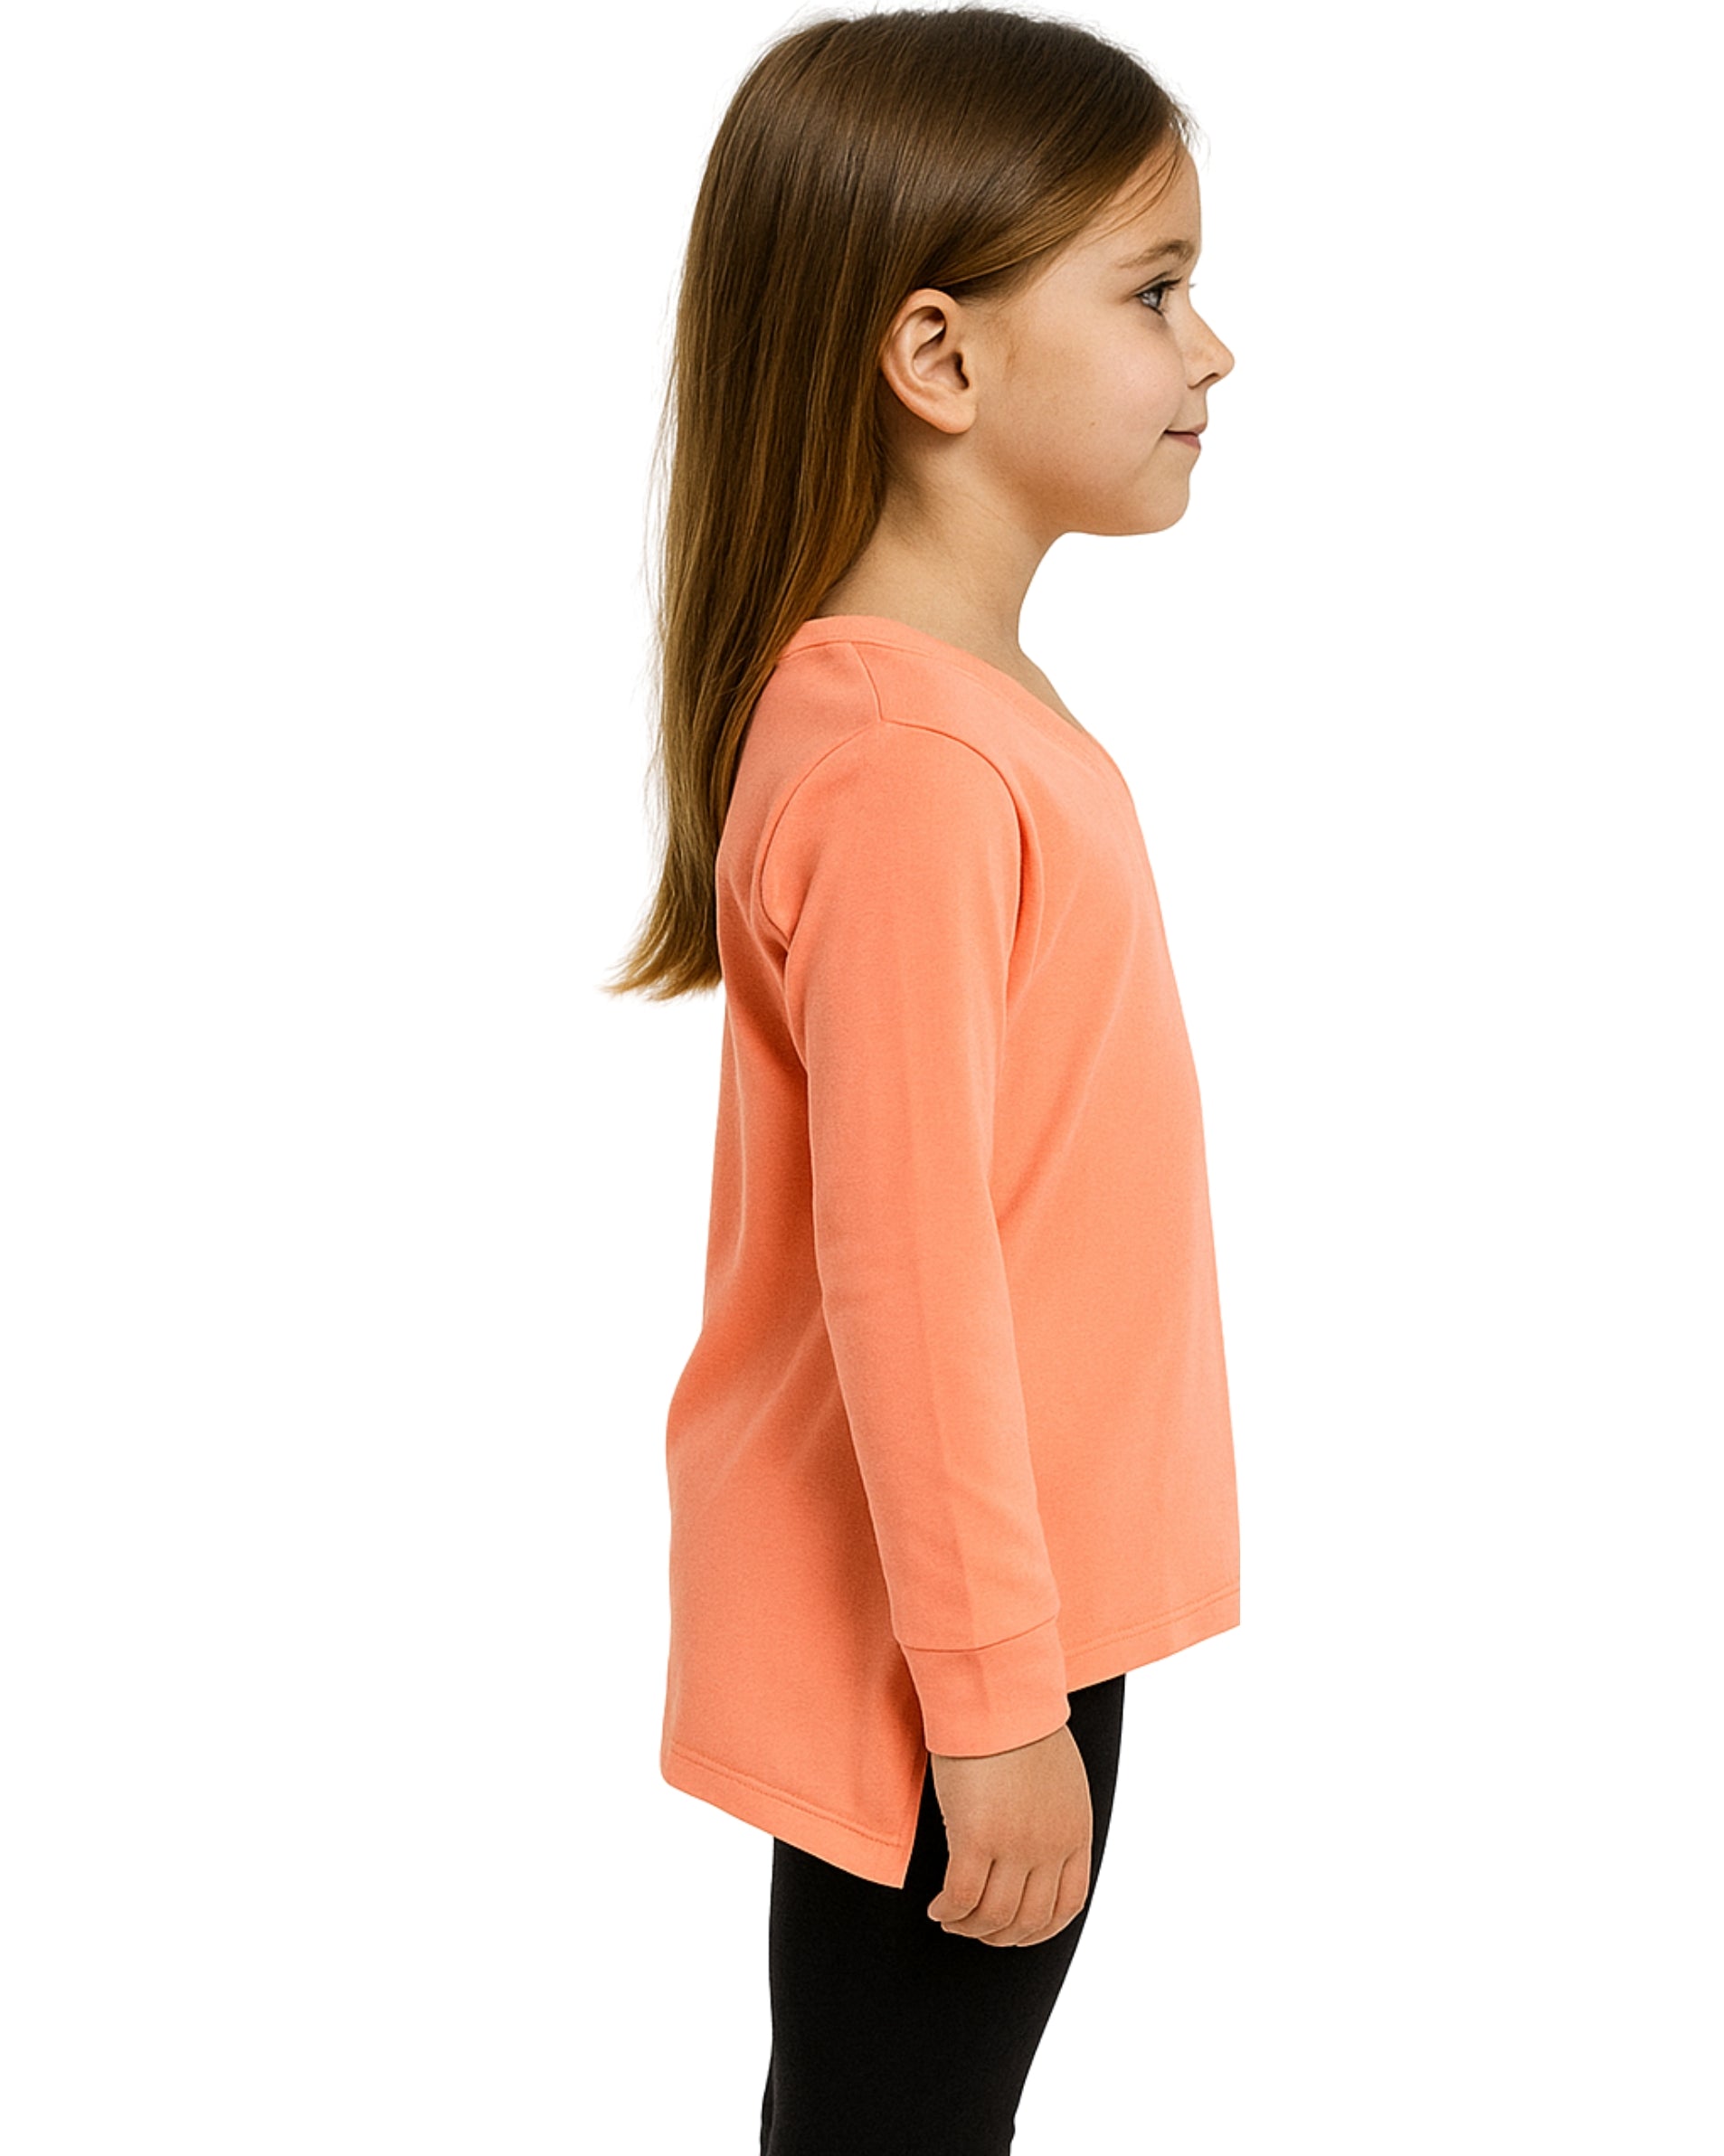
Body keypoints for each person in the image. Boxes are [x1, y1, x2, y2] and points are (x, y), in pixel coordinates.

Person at [605, 7, 1241, 2149]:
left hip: (1005, 1601)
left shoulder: (953, 712)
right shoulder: (906, 766)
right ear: (936, 358)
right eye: (1151, 290)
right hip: (957, 1640)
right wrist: (984, 1706)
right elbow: (905, 1270)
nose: (1212, 348)